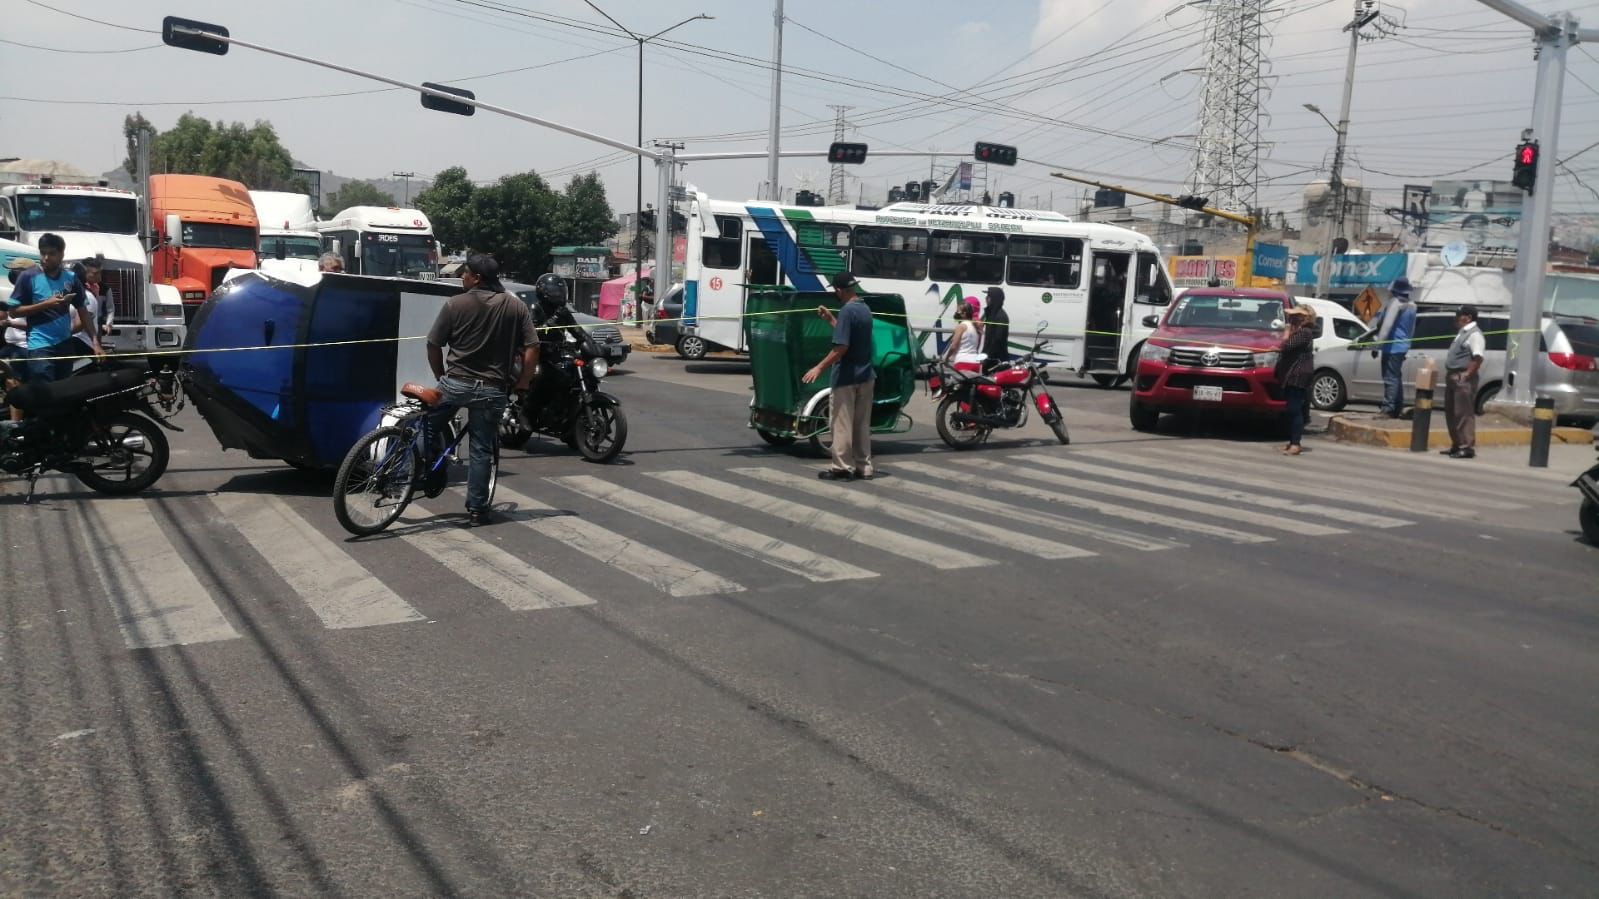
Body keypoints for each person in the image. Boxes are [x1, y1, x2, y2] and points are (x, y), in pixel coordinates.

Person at [425, 253, 537, 526]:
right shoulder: (515, 307)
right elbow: (533, 347)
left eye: (465, 273)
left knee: (426, 427)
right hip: (492, 390)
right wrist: (523, 382)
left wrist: (441, 377)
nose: (462, 277)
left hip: (455, 384)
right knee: (480, 450)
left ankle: (427, 473)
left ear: (476, 278)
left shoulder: (455, 305)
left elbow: (433, 344)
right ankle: (477, 510)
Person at [803, 271, 875, 481]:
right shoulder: (864, 309)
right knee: (862, 424)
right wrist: (831, 320)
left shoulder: (847, 311)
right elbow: (851, 337)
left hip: (847, 377)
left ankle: (842, 467)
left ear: (838, 290)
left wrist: (819, 367)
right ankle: (864, 467)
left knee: (841, 424)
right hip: (866, 375)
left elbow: (842, 346)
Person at [5, 233, 83, 384]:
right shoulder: (25, 282)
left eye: (51, 253)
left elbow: (82, 313)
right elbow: (12, 312)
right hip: (34, 345)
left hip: (60, 344)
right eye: (43, 253)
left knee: (61, 387)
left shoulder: (69, 279)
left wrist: (94, 340)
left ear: (61, 254)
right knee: (36, 389)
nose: (46, 258)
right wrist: (46, 304)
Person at [1441, 304, 1485, 460]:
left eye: (1459, 315)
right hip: (1452, 376)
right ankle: (1456, 445)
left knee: (1463, 413)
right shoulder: (1462, 333)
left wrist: (1466, 374)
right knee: (1451, 412)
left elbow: (1478, 357)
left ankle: (1466, 447)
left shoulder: (1474, 335)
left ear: (1468, 317)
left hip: (1462, 378)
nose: (1456, 318)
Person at [1275, 305, 1317, 456]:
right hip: (1291, 374)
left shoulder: (1305, 333)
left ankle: (1296, 443)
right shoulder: (1298, 332)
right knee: (1291, 409)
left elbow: (1286, 346)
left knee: (1295, 409)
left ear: (1304, 318)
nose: (1291, 318)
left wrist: (1286, 333)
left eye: (1296, 316)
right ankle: (1292, 441)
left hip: (1298, 375)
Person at [1374, 277, 1417, 417]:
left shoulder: (1395, 303)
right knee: (1396, 377)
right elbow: (1411, 329)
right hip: (1403, 346)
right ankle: (1398, 406)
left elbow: (1385, 326)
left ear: (1394, 290)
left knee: (1389, 378)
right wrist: (1407, 345)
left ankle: (1388, 409)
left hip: (1391, 347)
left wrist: (1377, 346)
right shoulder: (1412, 305)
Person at [942, 297, 985, 373]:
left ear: (964, 314)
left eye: (958, 311)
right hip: (975, 363)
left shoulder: (961, 326)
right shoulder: (975, 327)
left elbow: (954, 346)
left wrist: (946, 358)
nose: (956, 313)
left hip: (962, 362)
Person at [979, 286, 1010, 372]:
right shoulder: (991, 314)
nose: (986, 299)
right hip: (990, 359)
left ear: (994, 299)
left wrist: (987, 356)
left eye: (988, 296)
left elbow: (997, 340)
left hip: (997, 362)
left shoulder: (1001, 317)